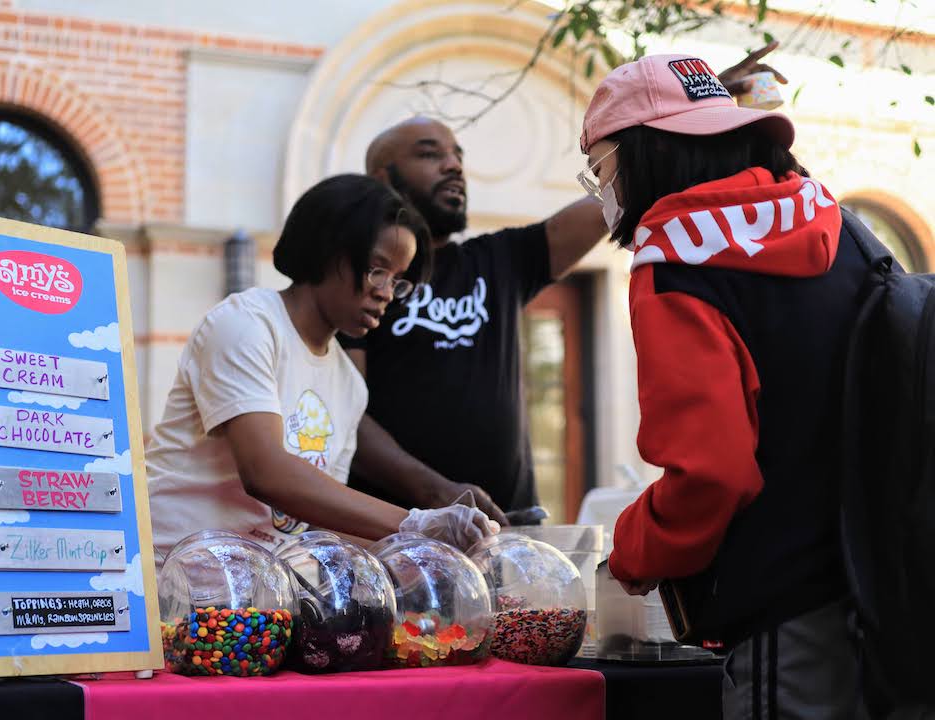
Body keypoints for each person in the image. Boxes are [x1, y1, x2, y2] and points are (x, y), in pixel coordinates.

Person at [343, 46, 785, 523]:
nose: (453, 165)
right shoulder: (362, 277)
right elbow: (346, 413)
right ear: (381, 176)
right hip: (396, 534)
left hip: (508, 530)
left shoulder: (497, 259)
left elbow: (621, 185)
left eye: (457, 155)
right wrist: (436, 493)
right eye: (430, 154)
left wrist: (695, 106)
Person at [582, 53, 869, 717]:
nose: (603, 193)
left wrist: (630, 550)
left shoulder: (675, 260)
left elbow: (710, 473)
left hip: (785, 614)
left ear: (642, 156)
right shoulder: (836, 224)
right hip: (887, 589)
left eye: (600, 170)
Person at [146, 174, 499, 558]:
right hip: (174, 580)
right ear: (328, 249)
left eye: (398, 281)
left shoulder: (348, 383)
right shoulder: (247, 323)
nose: (385, 292)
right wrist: (414, 522)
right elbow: (265, 472)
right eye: (377, 269)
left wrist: (423, 550)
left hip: (260, 600)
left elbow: (321, 522)